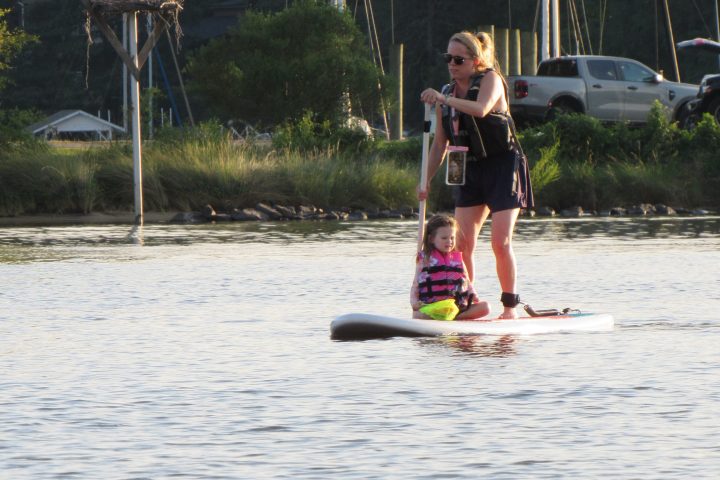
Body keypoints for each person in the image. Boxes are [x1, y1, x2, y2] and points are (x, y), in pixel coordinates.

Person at [419, 31, 534, 319]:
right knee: (463, 243)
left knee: (500, 242)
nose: (452, 64)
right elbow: (440, 144)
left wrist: (444, 101)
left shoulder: (491, 80)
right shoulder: (448, 93)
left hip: (502, 165)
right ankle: (467, 303)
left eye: (458, 59)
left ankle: (509, 308)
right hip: (468, 169)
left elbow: (481, 109)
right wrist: (426, 179)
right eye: (448, 58)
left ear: (476, 60)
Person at [410, 214, 490, 320]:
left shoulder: (458, 259)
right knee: (417, 314)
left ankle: (453, 318)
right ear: (431, 239)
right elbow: (415, 285)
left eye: (452, 238)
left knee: (485, 307)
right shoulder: (424, 259)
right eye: (444, 238)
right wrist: (414, 303)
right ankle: (445, 318)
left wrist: (473, 294)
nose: (449, 241)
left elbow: (467, 281)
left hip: (456, 308)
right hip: (433, 308)